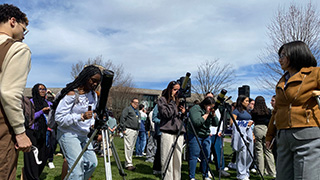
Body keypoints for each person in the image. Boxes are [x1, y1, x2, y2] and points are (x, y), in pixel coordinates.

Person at [266, 41, 320, 179]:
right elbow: (276, 110)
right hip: (283, 137)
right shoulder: (282, 81)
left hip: (307, 134)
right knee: (282, 177)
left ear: (296, 54)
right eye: (279, 55)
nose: (280, 59)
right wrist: (269, 136)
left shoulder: (315, 73)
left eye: (283, 55)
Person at [0, 4, 32, 180]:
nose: (23, 35)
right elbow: (9, 93)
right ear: (13, 21)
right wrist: (20, 133)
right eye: (24, 29)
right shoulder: (18, 48)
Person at [54, 65, 101, 180]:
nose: (95, 84)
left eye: (97, 82)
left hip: (84, 135)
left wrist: (92, 122)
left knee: (92, 164)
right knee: (77, 169)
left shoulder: (93, 95)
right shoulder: (72, 94)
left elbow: (91, 113)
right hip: (68, 134)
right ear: (85, 77)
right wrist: (80, 117)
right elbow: (59, 118)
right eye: (93, 81)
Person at [23, 83, 52, 179]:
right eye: (40, 89)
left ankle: (35, 175)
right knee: (31, 158)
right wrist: (42, 112)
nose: (43, 91)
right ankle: (32, 177)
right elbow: (29, 118)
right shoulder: (30, 102)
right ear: (36, 90)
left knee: (43, 156)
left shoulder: (48, 102)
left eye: (44, 89)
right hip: (32, 132)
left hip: (44, 132)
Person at [158, 81, 186, 180]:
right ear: (170, 90)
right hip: (167, 132)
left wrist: (182, 113)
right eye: (175, 90)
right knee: (166, 159)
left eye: (178, 90)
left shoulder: (179, 101)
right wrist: (173, 102)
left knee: (178, 160)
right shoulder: (162, 100)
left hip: (179, 133)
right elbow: (166, 114)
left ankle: (177, 178)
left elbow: (180, 118)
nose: (176, 92)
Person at [188, 97, 218, 180]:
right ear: (205, 104)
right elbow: (197, 122)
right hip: (195, 134)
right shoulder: (196, 109)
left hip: (206, 135)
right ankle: (192, 177)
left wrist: (213, 114)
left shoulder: (210, 111)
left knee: (206, 155)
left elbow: (216, 123)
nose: (211, 108)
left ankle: (205, 175)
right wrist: (207, 114)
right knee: (194, 155)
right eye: (210, 106)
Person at [251, 96, 276, 178]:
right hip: (266, 129)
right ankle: (272, 171)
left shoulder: (254, 112)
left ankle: (260, 171)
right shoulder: (268, 111)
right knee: (268, 151)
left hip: (257, 129)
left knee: (259, 152)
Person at [232, 95, 254, 180]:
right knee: (242, 153)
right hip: (241, 135)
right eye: (246, 101)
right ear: (241, 102)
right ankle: (241, 174)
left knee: (250, 153)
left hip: (249, 133)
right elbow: (232, 123)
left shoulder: (247, 112)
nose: (248, 103)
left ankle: (246, 171)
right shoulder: (236, 111)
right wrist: (245, 124)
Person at [119, 98, 140, 171]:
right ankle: (128, 164)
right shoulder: (127, 109)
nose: (136, 104)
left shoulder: (136, 111)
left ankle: (129, 162)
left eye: (137, 103)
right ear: (131, 102)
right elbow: (122, 118)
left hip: (135, 130)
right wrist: (123, 128)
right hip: (129, 129)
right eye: (135, 103)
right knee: (128, 146)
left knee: (131, 147)